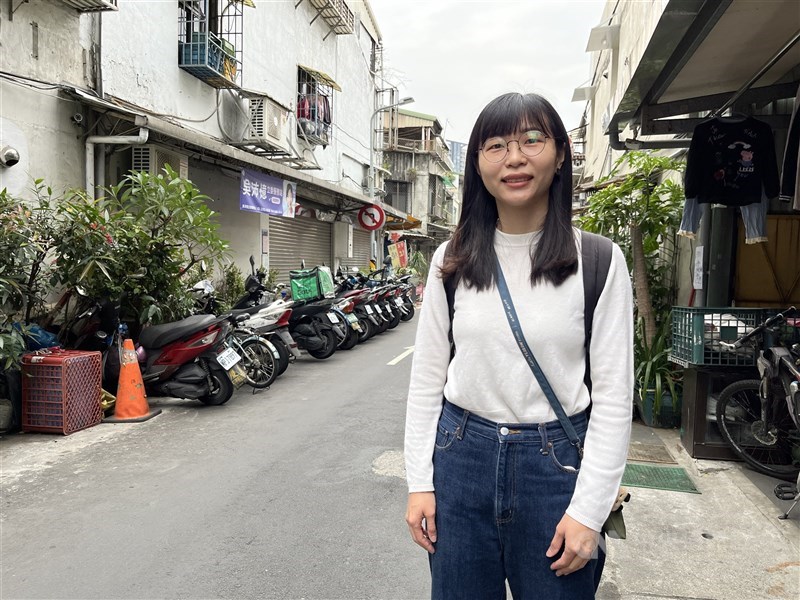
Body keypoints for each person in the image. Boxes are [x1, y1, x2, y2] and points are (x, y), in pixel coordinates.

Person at [404, 92, 633, 600]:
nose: (514, 158)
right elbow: (427, 383)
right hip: (461, 461)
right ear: (478, 164)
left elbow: (616, 398)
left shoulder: (597, 260)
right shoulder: (453, 258)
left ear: (560, 155)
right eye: (496, 145)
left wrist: (588, 511)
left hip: (556, 471)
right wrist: (420, 482)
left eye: (532, 140)